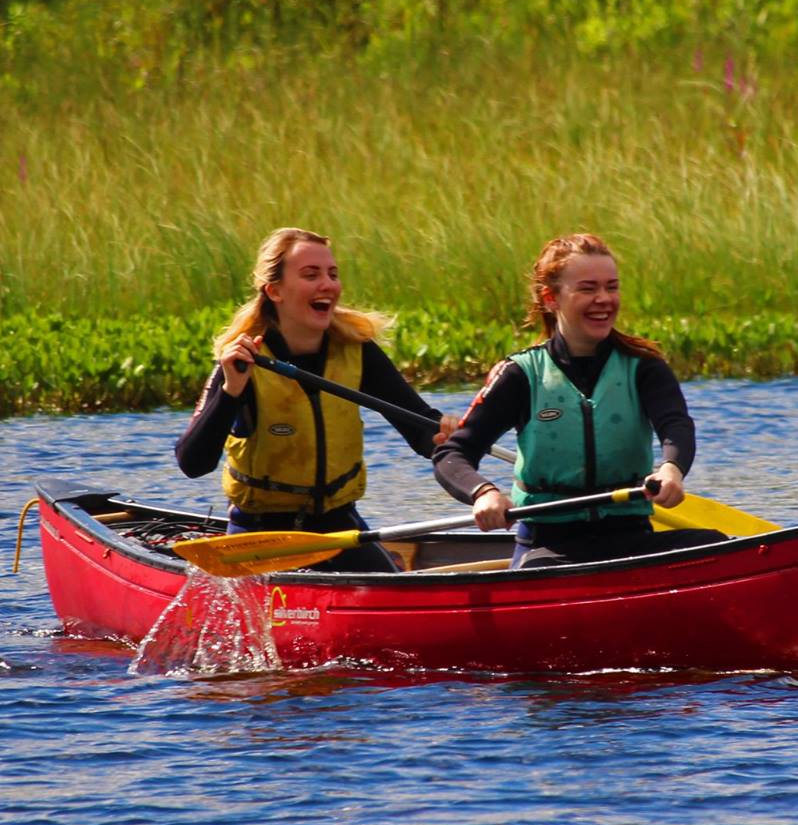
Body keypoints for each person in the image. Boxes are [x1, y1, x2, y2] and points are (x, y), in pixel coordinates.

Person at [434, 233, 728, 568]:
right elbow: (453, 453)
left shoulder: (644, 367)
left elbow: (675, 424)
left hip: (632, 535)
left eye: (612, 287)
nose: (604, 299)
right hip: (548, 547)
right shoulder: (521, 375)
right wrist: (483, 493)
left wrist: (672, 469)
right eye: (588, 288)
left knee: (714, 546)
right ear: (551, 298)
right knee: (546, 571)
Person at [177, 227, 456, 571]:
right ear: (274, 291)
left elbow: (421, 431)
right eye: (311, 275)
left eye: (333, 274)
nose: (328, 285)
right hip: (261, 535)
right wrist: (231, 390)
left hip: (337, 528)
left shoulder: (357, 351)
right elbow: (192, 463)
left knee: (397, 594)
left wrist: (452, 437)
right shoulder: (244, 360)